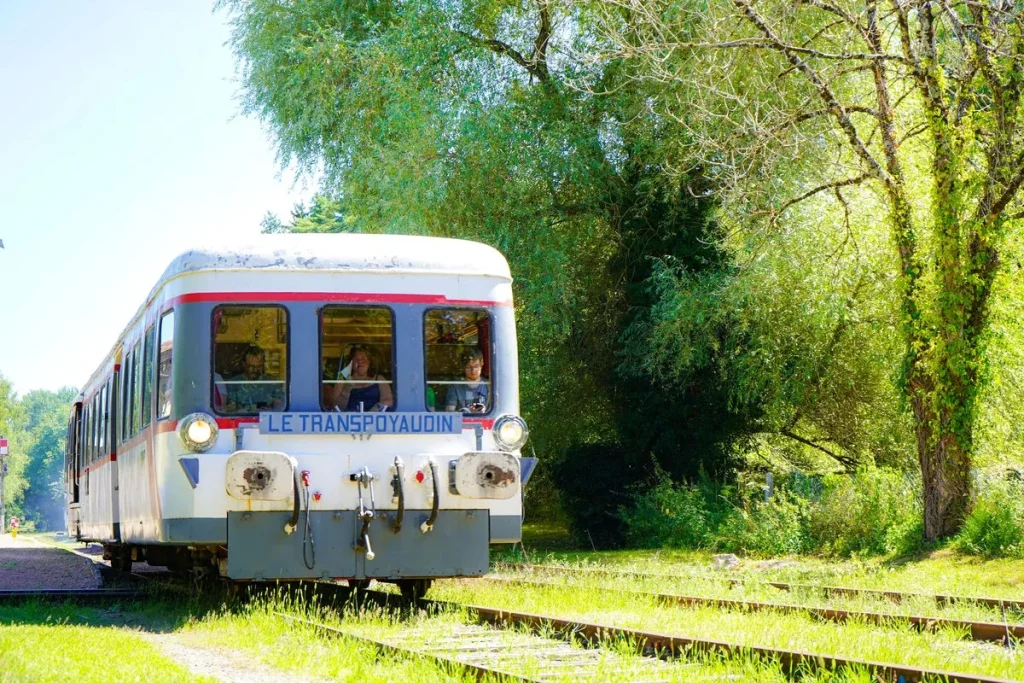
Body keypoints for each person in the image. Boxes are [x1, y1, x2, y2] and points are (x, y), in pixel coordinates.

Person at [332, 345, 394, 412]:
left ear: (369, 362)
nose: (360, 362)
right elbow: (336, 407)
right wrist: (347, 389)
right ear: (351, 363)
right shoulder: (343, 379)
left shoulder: (379, 379)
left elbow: (388, 400)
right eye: (356, 359)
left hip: (376, 419)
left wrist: (374, 410)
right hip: (349, 419)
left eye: (363, 358)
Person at [225, 345, 284, 412]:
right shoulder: (233, 383)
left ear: (263, 364)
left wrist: (273, 408)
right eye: (251, 366)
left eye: (259, 366)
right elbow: (230, 409)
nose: (255, 370)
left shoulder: (273, 383)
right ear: (244, 364)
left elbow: (281, 407)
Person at [446, 348, 489, 413]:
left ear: (482, 364)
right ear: (463, 367)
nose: (473, 371)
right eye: (469, 367)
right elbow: (449, 411)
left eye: (476, 366)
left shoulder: (489, 385)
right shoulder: (455, 386)